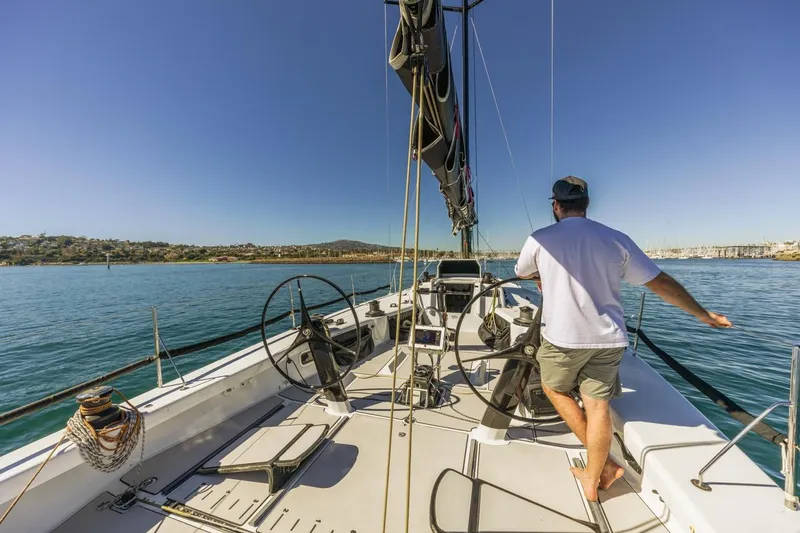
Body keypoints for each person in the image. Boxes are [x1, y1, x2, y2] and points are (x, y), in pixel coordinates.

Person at [515, 176, 731, 502]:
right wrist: (704, 315)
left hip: (563, 340)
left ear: (556, 206)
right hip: (609, 340)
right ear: (586, 204)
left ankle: (602, 469)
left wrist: (542, 275)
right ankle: (595, 476)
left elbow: (521, 271)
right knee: (598, 406)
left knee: (554, 388)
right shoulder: (616, 239)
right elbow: (660, 283)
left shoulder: (540, 239)